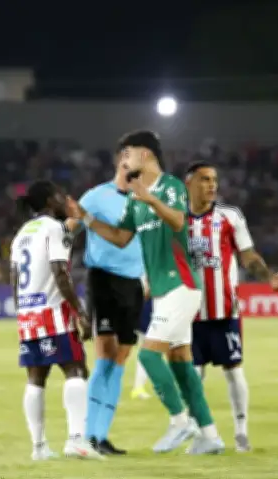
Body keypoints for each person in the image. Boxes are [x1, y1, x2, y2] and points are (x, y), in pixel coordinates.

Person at [67, 130, 223, 455]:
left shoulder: (171, 187)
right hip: (149, 286)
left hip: (180, 282)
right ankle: (209, 434)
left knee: (148, 355)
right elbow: (120, 236)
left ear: (146, 156)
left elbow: (179, 221)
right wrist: (87, 218)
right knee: (179, 359)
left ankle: (180, 421)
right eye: (122, 156)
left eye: (130, 154)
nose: (126, 160)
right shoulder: (128, 199)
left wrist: (149, 198)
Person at [185, 161, 278, 452]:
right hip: (187, 311)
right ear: (189, 183)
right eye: (205, 179)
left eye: (214, 179)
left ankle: (241, 431)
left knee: (233, 369)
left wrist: (268, 277)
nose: (212, 185)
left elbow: (248, 256)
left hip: (224, 310)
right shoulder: (175, 219)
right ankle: (202, 434)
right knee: (193, 374)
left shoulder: (229, 216)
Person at [10, 180, 102, 461]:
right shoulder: (54, 229)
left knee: (36, 378)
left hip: (28, 313)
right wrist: (80, 313)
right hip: (53, 313)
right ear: (50, 201)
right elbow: (60, 272)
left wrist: (23, 314)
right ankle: (76, 440)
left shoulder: (22, 233)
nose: (65, 201)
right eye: (61, 196)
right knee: (76, 369)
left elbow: (13, 279)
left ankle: (39, 447)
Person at [77, 158, 146, 455]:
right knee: (104, 354)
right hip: (103, 279)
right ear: (120, 161)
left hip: (133, 283)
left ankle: (101, 436)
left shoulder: (145, 200)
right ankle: (87, 435)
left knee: (121, 357)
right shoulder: (95, 196)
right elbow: (69, 227)